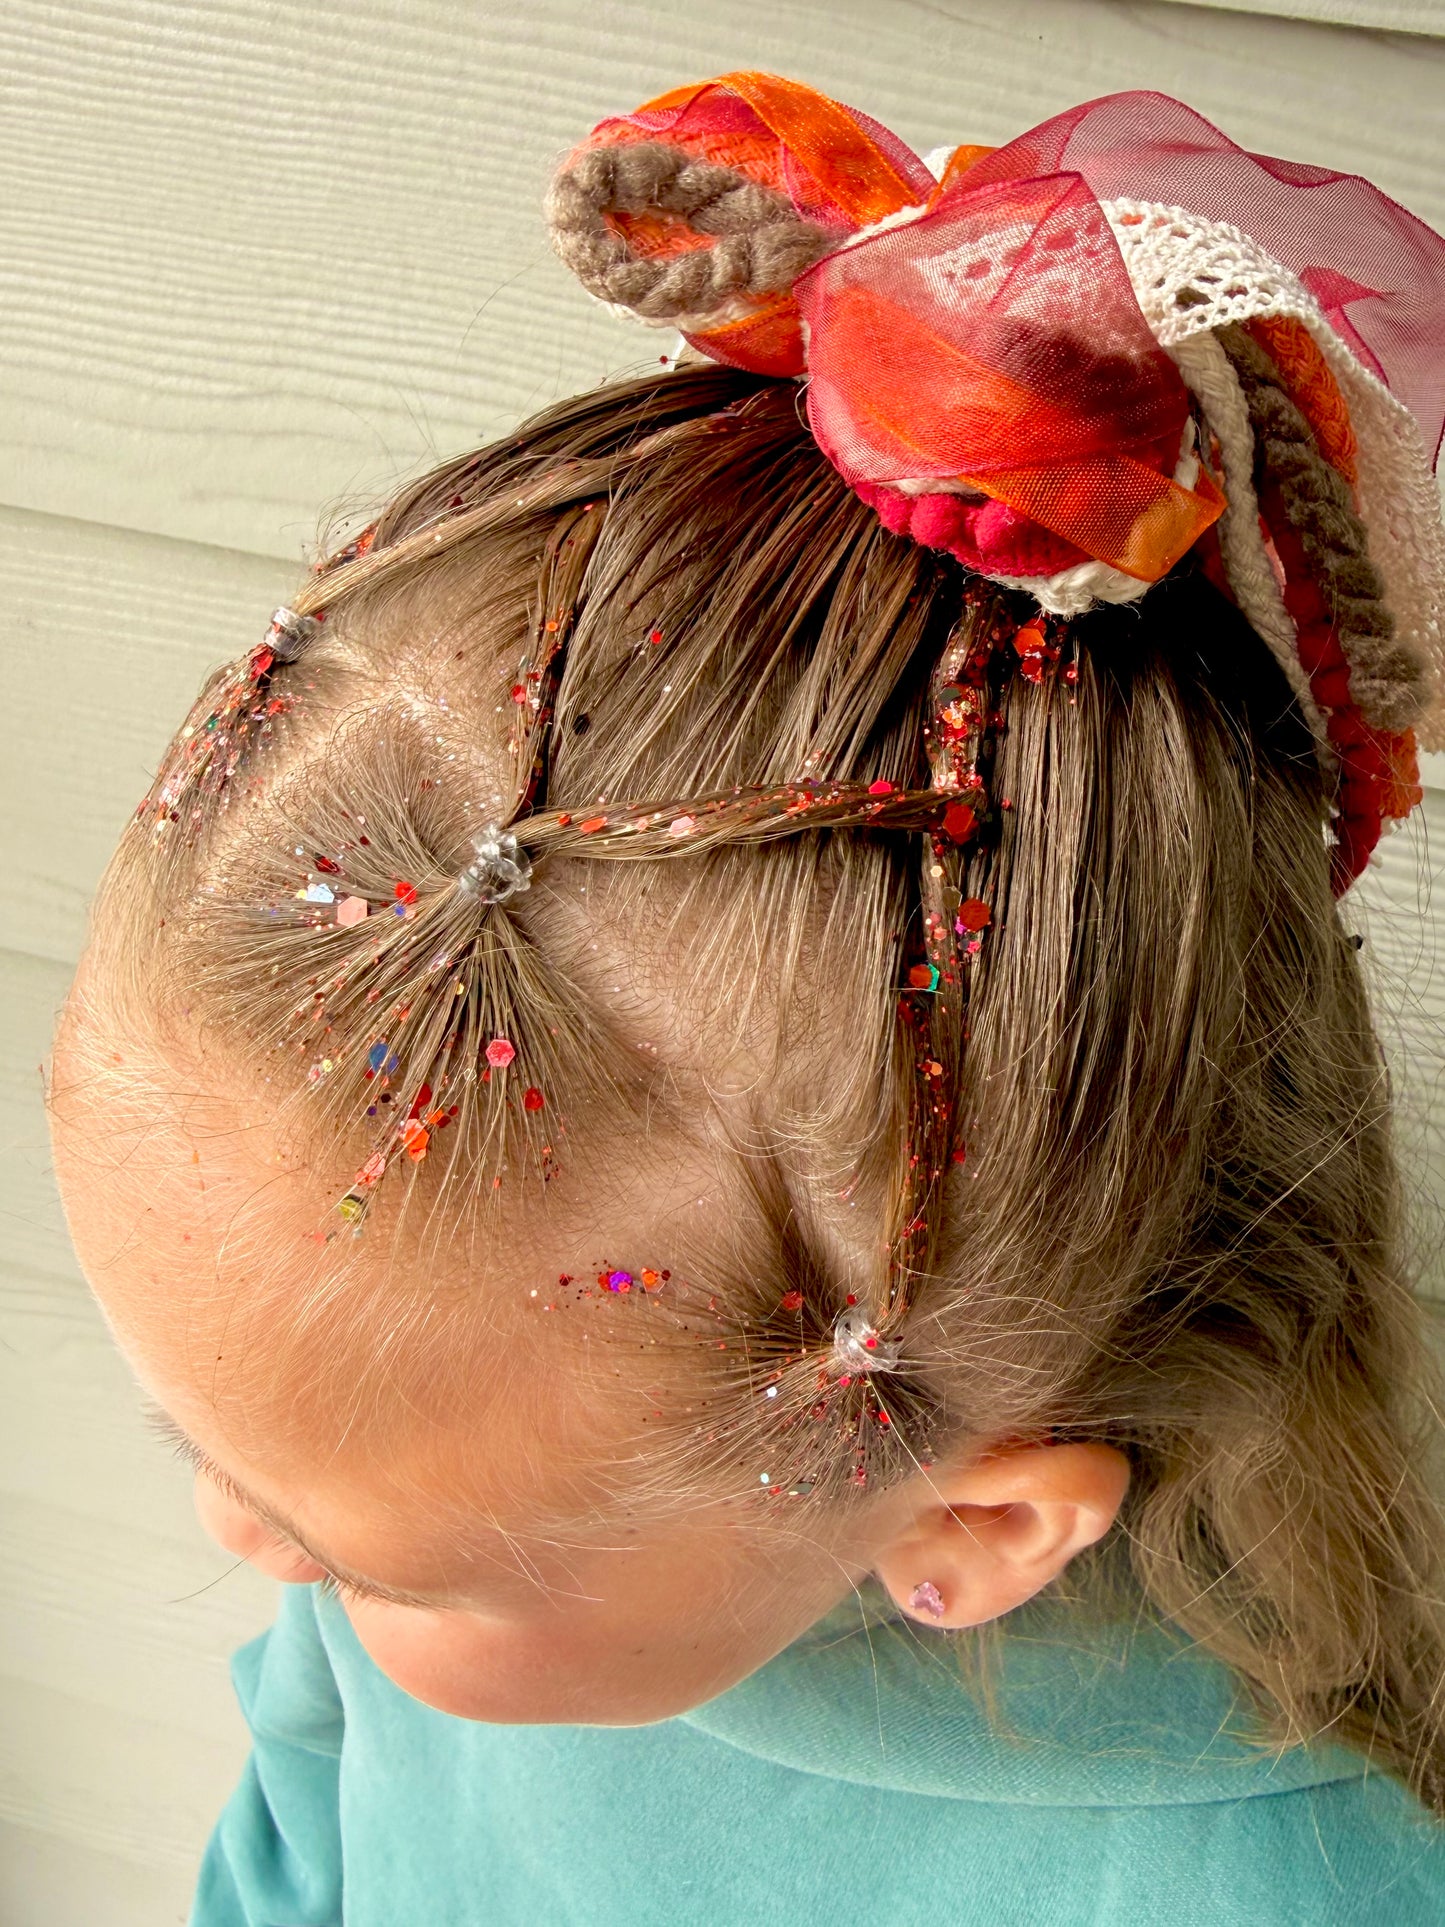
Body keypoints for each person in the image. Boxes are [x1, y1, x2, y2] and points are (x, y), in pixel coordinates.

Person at [47, 71, 1445, 1925]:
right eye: (212, 1448)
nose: (248, 1547)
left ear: (968, 1528)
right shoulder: (398, 1528)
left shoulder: (1275, 1882)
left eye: (372, 1563)